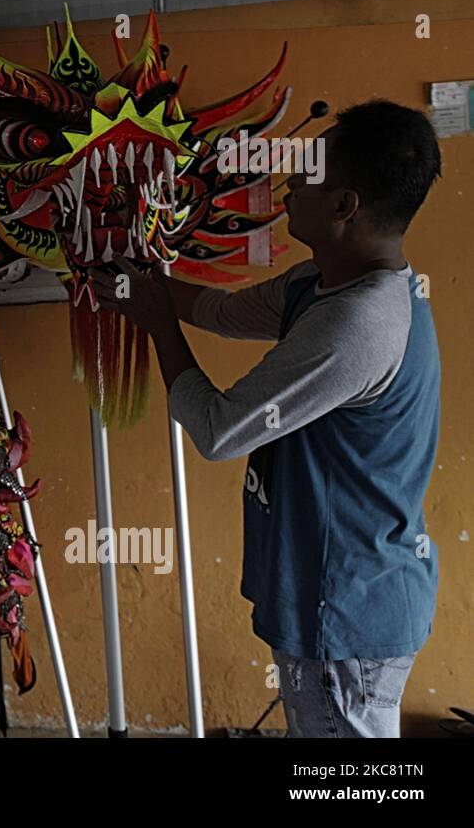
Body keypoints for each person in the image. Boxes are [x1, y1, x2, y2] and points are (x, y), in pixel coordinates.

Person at [91, 100, 442, 738]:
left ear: (345, 206)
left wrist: (158, 326)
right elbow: (224, 314)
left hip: (347, 612)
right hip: (338, 594)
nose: (287, 180)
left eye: (308, 170)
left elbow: (219, 432)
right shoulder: (323, 282)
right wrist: (140, 278)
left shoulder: (357, 323)